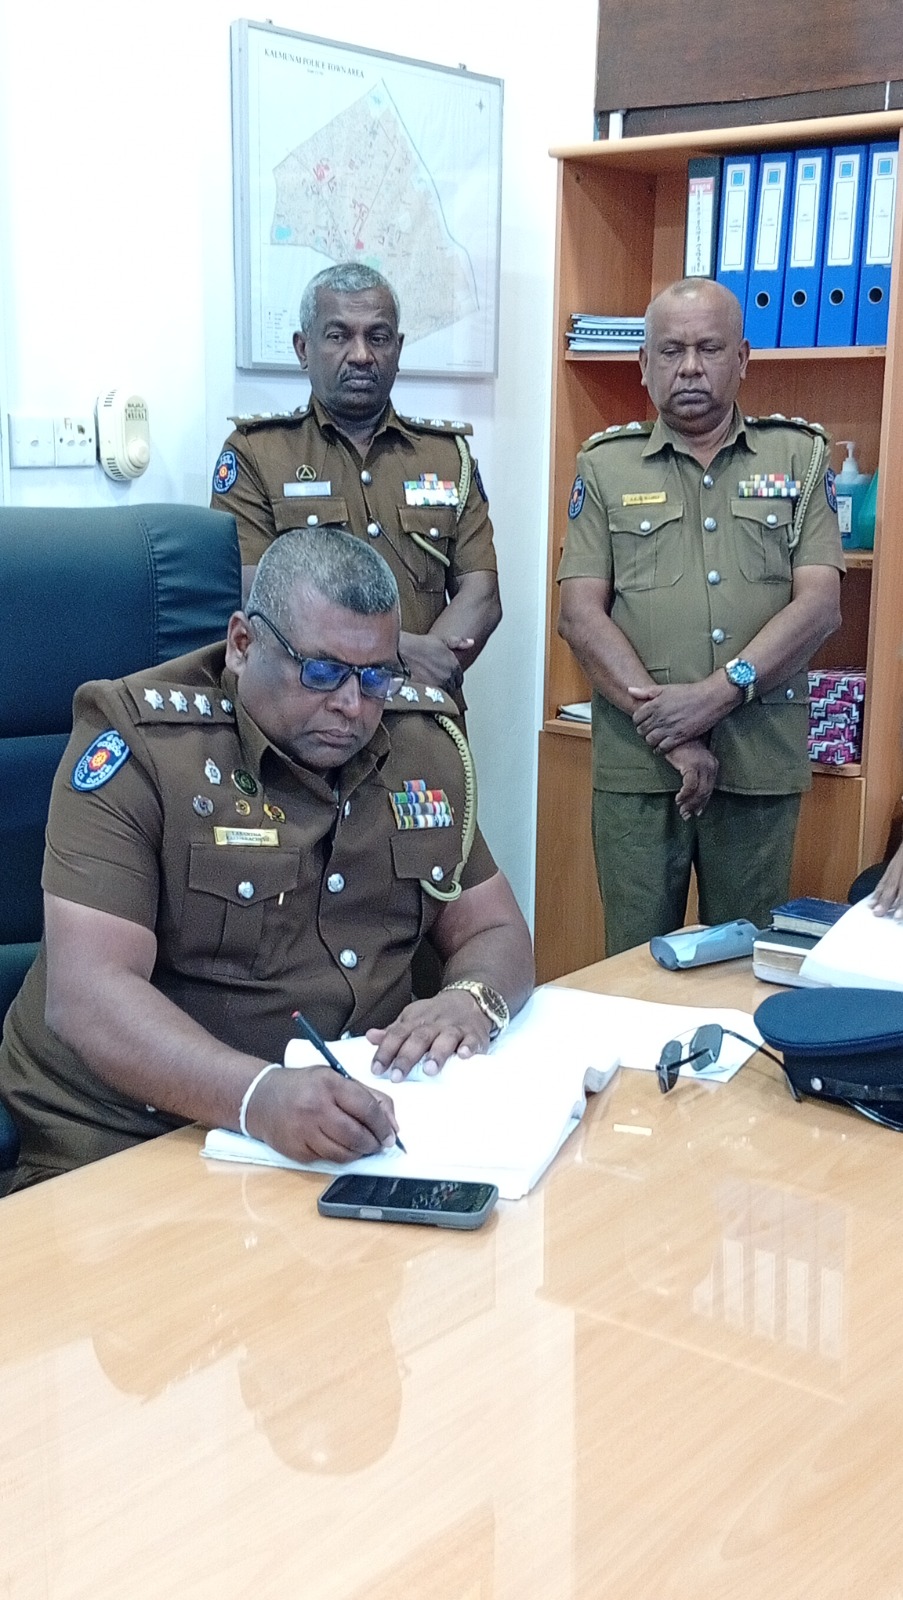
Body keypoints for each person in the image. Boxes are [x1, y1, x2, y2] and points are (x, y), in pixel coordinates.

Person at [0, 528, 533, 1192]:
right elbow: (88, 996)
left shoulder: (421, 743)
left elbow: (493, 927)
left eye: (376, 676)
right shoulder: (139, 744)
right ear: (243, 643)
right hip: (137, 1134)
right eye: (321, 672)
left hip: (358, 1127)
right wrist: (257, 1097)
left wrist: (470, 999)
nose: (352, 704)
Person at [557, 277, 845, 955]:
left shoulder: (798, 456)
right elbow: (580, 616)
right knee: (632, 961)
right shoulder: (604, 466)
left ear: (741, 358)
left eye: (709, 349)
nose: (689, 367)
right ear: (643, 364)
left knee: (748, 959)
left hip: (757, 758)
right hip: (641, 765)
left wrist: (718, 694)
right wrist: (671, 733)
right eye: (671, 350)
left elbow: (819, 606)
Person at [210, 262, 501, 700]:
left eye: (378, 337)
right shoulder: (256, 454)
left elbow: (482, 594)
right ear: (303, 348)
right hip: (307, 709)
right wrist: (393, 658)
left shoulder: (446, 457)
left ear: (398, 348)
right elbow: (256, 597)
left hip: (421, 710)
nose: (362, 354)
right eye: (339, 336)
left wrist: (411, 682)